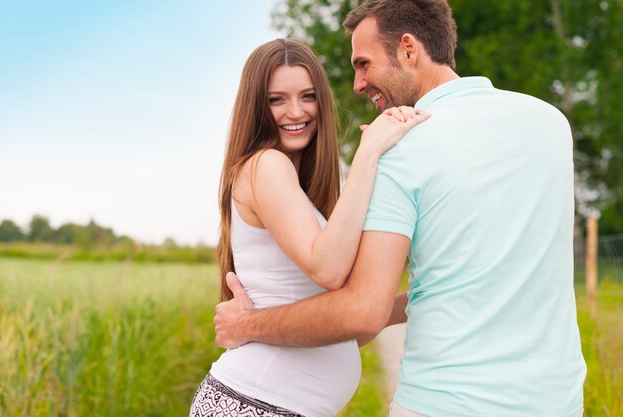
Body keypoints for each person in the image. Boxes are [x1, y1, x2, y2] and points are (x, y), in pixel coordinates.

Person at [213, 1, 587, 417]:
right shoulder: (551, 123)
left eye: (363, 63)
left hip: (444, 404)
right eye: (277, 99)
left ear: (408, 49)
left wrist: (246, 325)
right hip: (558, 402)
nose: (356, 83)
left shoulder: (403, 144)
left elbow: (361, 309)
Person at [190, 38, 429, 417]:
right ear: (256, 106)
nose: (295, 111)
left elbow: (349, 323)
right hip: (253, 404)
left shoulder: (299, 190)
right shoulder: (266, 164)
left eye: (308, 96)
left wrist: (428, 296)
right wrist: (369, 152)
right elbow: (328, 268)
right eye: (276, 99)